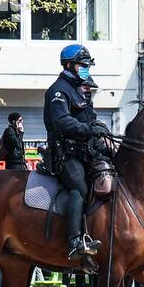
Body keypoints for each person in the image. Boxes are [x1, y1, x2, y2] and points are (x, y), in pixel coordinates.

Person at [43, 44, 109, 266]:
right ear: (69, 65)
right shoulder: (59, 91)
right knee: (80, 188)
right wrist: (88, 129)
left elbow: (89, 119)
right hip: (66, 155)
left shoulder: (80, 89)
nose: (86, 69)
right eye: (83, 65)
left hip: (86, 151)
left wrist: (99, 131)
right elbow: (62, 122)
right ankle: (74, 242)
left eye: (88, 66)